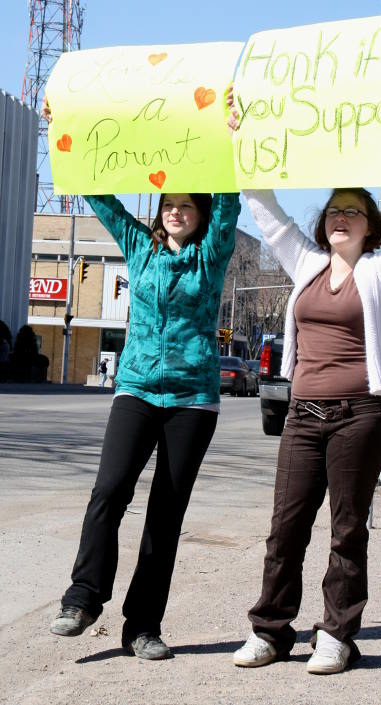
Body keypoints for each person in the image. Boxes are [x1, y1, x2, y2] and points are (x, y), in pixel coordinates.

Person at [228, 95, 381, 673]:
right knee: (285, 528)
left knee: (346, 531)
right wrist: (243, 141)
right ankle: (271, 631)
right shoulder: (304, 265)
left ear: (370, 226)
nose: (339, 217)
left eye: (353, 211)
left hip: (358, 415)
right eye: (332, 211)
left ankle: (336, 635)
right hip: (303, 416)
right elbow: (265, 209)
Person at [42, 97, 241, 659]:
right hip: (135, 388)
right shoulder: (138, 245)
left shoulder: (212, 254)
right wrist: (66, 134)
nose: (175, 211)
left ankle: (143, 626)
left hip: (192, 400)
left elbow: (231, 202)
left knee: (165, 513)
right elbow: (97, 196)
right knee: (109, 491)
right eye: (168, 204)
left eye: (186, 205)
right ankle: (83, 598)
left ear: (200, 212)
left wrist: (228, 138)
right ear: (158, 210)